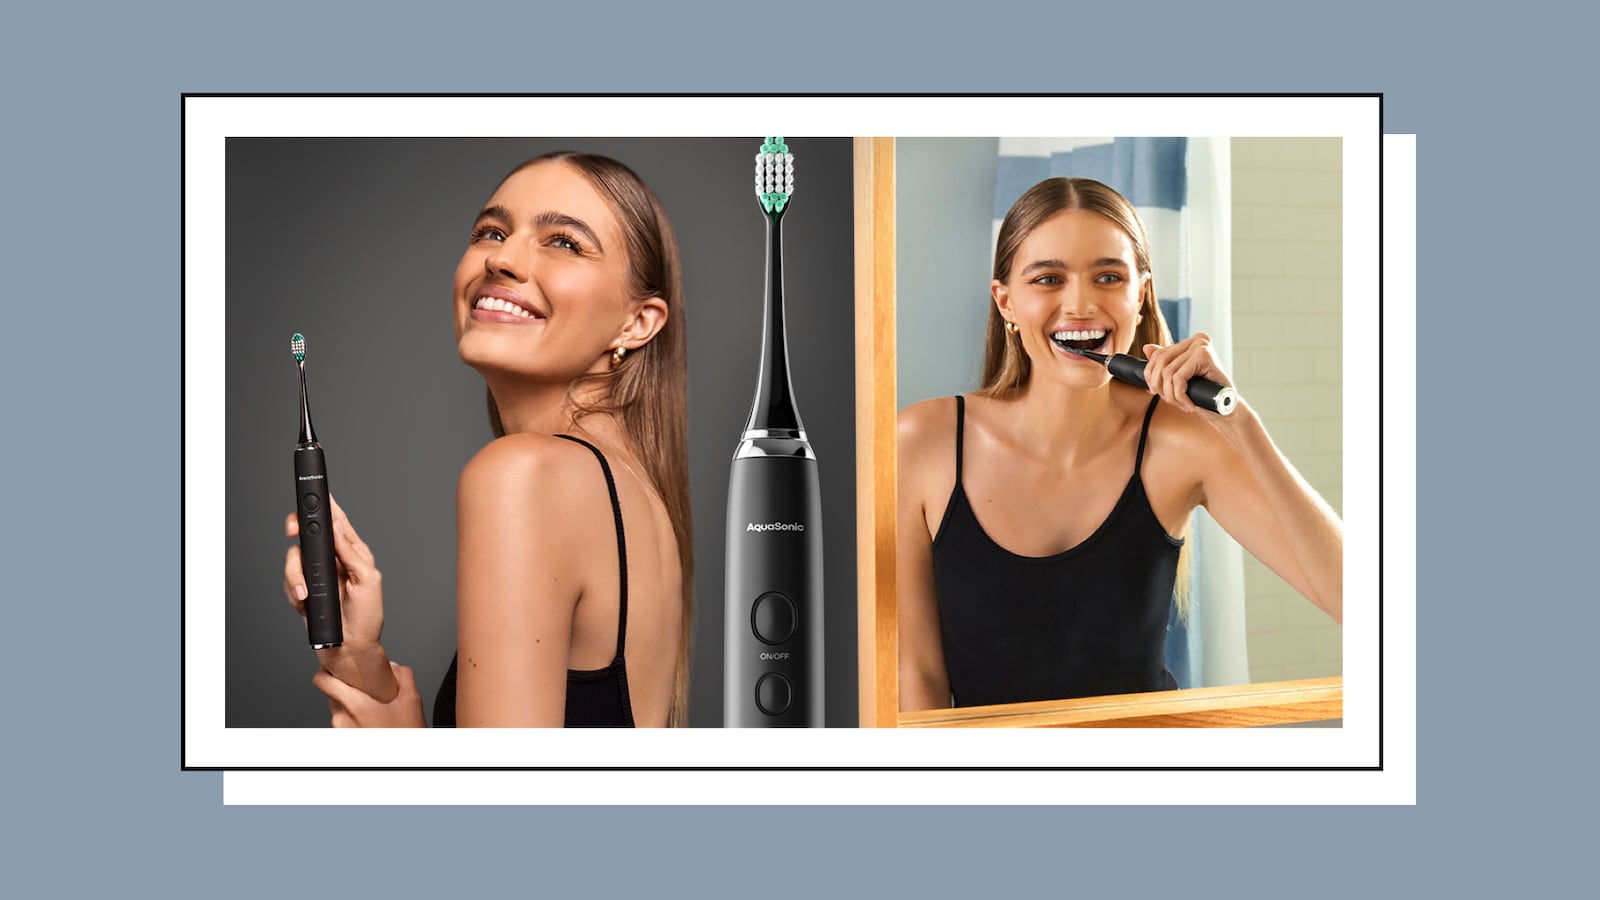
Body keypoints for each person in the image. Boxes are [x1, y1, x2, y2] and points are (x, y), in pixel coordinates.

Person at [896, 177, 1342, 712]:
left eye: (1109, 276)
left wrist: (1240, 421)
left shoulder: (1184, 443)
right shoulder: (923, 442)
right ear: (1006, 302)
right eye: (1048, 279)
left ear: (1141, 294)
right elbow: (914, 673)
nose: (1081, 304)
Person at [281, 152, 692, 727]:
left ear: (637, 322)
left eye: (564, 242)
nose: (501, 257)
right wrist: (359, 659)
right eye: (491, 232)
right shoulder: (633, 495)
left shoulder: (527, 475)